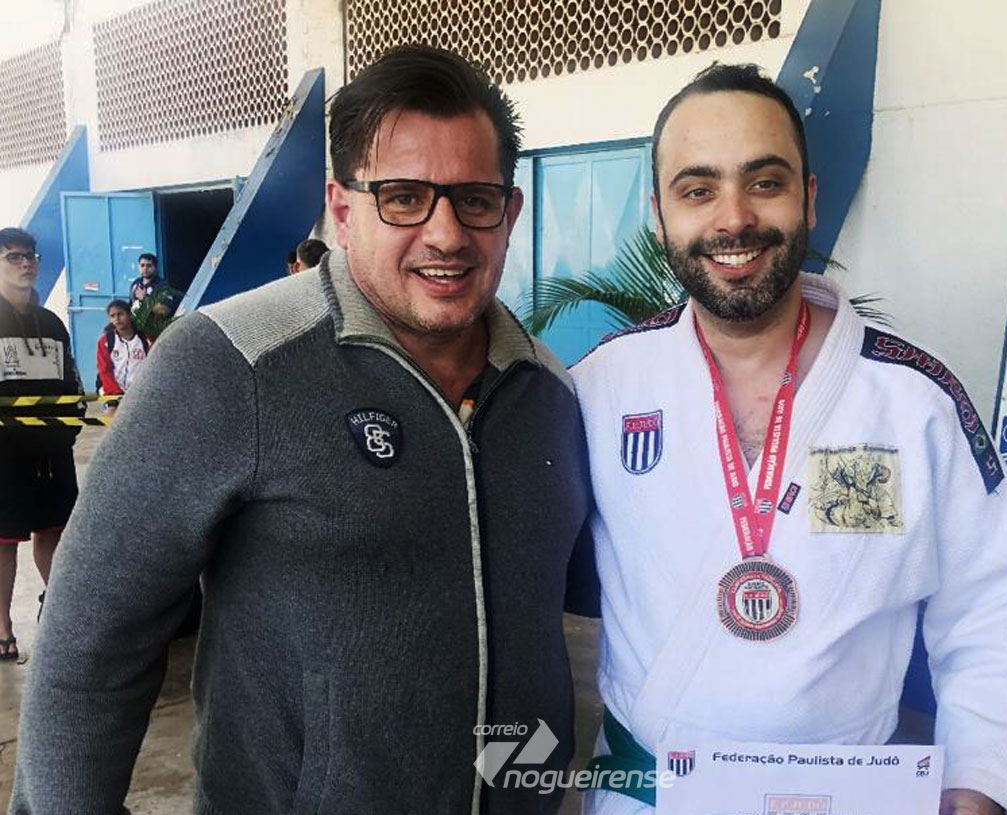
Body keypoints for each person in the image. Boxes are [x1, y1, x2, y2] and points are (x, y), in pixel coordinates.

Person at [11, 45, 595, 814]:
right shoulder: (232, 362)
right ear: (342, 209)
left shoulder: (547, 392)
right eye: (403, 197)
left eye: (475, 200)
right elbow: (91, 638)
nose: (447, 233)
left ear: (509, 212)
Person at [571, 64, 1007, 815]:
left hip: (849, 797)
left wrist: (981, 778)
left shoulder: (913, 399)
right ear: (660, 215)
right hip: (649, 796)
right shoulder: (603, 386)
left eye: (764, 182)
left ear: (808, 197)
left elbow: (1001, 606)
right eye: (697, 190)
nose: (734, 218)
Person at [0, 227, 82, 662]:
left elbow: (72, 381)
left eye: (30, 256)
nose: (26, 263)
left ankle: (61, 615)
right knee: (4, 541)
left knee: (54, 532)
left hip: (52, 449)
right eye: (14, 257)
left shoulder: (52, 324)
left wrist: (68, 430)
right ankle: (2, 629)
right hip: (4, 454)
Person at [95, 299, 151, 397]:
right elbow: (104, 369)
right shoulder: (105, 341)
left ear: (129, 315)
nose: (117, 319)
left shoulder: (145, 340)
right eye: (112, 316)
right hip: (112, 392)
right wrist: (115, 393)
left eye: (120, 314)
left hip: (139, 393)